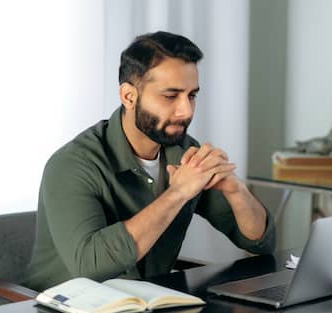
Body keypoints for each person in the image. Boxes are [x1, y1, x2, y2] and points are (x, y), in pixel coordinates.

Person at [23, 31, 275, 291]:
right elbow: (91, 266)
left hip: (147, 305)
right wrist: (178, 193)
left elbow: (259, 242)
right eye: (170, 96)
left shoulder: (185, 152)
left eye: (191, 95)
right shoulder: (72, 165)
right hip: (66, 309)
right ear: (129, 96)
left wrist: (236, 191)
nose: (186, 111)